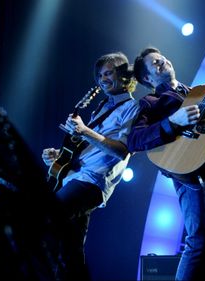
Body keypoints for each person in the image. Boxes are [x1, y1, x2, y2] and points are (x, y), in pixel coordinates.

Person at [127, 35, 205, 280]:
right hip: (192, 173)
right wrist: (171, 122)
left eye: (162, 57)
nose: (162, 61)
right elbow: (134, 140)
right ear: (147, 78)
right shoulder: (151, 102)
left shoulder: (198, 91)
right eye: (155, 63)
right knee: (199, 240)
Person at [41, 52, 140, 280]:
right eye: (100, 75)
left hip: (93, 181)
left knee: (47, 220)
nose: (102, 79)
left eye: (109, 73)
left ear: (124, 76)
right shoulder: (102, 107)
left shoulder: (132, 109)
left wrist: (85, 130)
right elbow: (91, 146)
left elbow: (121, 150)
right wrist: (59, 156)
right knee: (71, 251)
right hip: (75, 176)